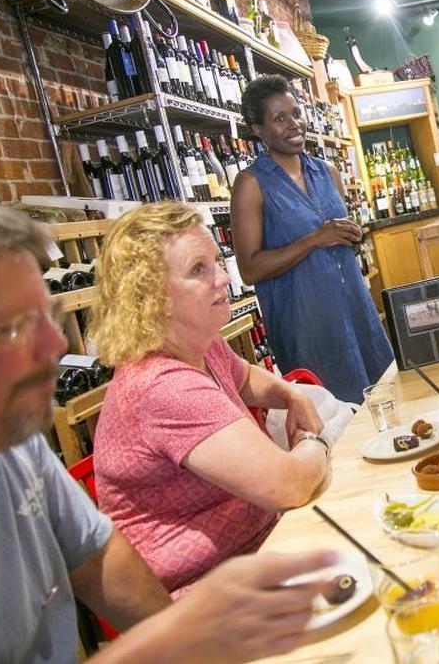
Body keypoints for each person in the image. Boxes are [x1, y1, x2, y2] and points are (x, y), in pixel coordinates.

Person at [0, 191, 339, 662]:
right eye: (14, 325)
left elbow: (96, 556)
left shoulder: (15, 447)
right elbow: (285, 485)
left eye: (49, 316)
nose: (55, 344)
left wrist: (188, 643)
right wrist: (182, 633)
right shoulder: (159, 383)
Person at [89, 202, 345, 597]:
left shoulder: (200, 345)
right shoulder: (163, 386)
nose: (224, 277)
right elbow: (289, 486)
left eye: (216, 262)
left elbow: (244, 377)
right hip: (206, 598)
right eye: (198, 270)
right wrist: (315, 440)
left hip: (259, 553)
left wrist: (290, 394)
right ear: (149, 296)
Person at [231, 75, 393, 403]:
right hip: (308, 326)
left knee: (387, 400)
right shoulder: (251, 184)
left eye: (296, 113)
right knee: (333, 418)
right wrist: (314, 239)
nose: (294, 124)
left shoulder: (327, 172)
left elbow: (337, 238)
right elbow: (249, 269)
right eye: (279, 118)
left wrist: (350, 236)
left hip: (356, 311)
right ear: (258, 129)